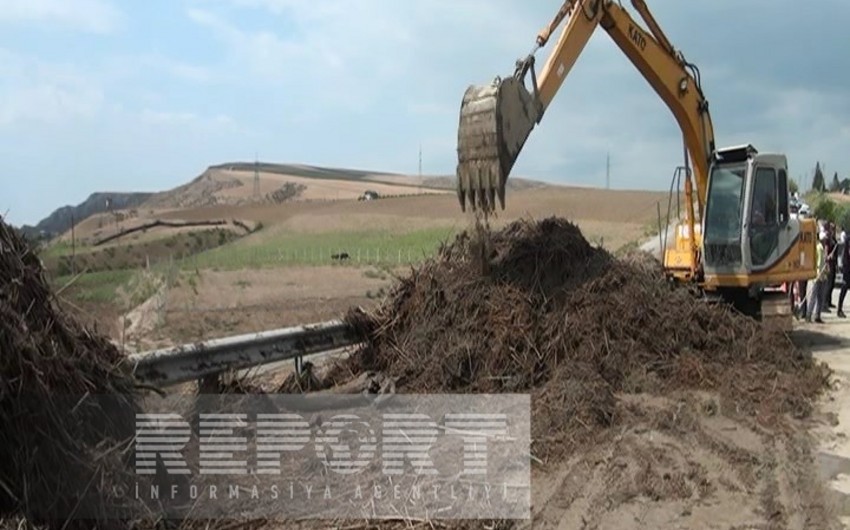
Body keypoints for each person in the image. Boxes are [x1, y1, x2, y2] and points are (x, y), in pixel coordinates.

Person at [807, 230, 828, 324]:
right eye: (824, 239)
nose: (825, 241)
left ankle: (817, 316)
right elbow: (819, 263)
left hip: (822, 275)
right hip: (819, 275)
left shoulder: (820, 247)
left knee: (820, 297)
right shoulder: (819, 248)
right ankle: (809, 315)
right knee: (814, 296)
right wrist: (820, 272)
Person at [839, 228, 850, 318]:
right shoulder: (848, 239)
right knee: (844, 288)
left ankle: (839, 309)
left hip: (847, 265)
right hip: (847, 267)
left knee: (844, 288)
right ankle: (839, 309)